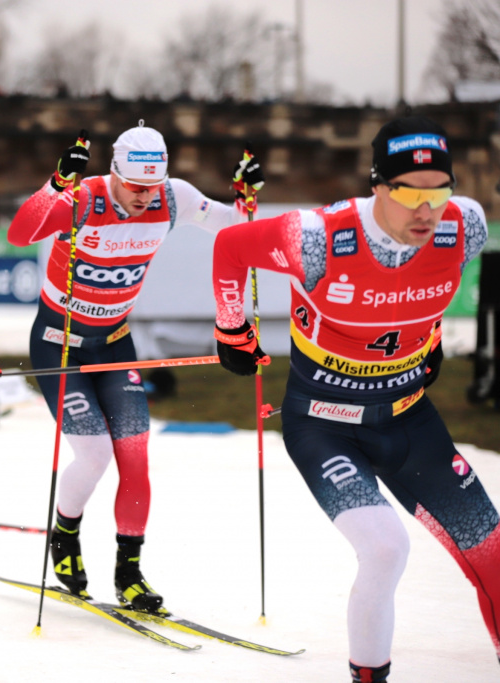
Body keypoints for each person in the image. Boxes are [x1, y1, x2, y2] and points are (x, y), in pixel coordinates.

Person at [209, 115, 499, 683]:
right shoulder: (317, 238)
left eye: (440, 190)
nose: (427, 209)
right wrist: (230, 329)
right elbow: (230, 245)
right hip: (324, 424)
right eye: (411, 192)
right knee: (386, 549)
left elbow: (425, 298)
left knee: (491, 551)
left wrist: (431, 342)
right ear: (378, 186)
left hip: (409, 417)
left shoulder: (467, 226)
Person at [6, 123, 263, 612]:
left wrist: (244, 197)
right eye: (135, 187)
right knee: (95, 454)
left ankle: (129, 573)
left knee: (136, 456)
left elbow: (236, 228)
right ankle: (64, 533)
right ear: (116, 173)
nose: (145, 197)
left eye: (153, 185)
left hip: (114, 344)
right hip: (60, 345)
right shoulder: (84, 198)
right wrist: (55, 186)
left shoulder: (174, 197)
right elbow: (20, 234)